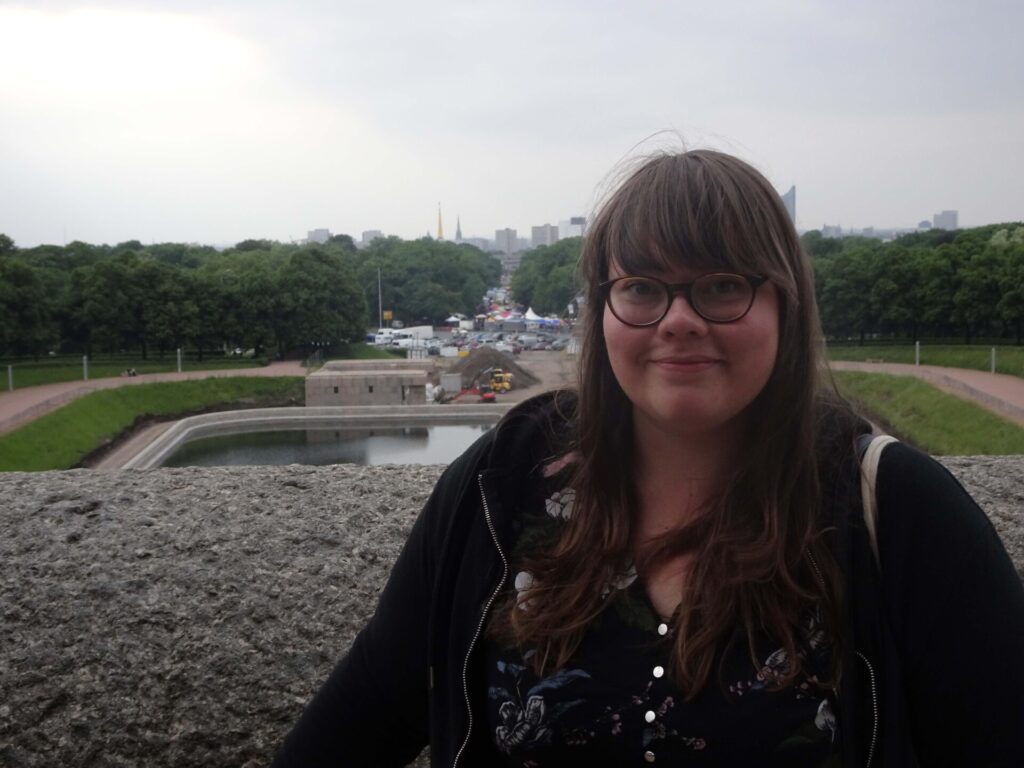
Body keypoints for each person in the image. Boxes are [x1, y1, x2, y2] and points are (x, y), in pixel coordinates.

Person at [272, 150, 1024, 767]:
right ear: (603, 309)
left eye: (722, 286)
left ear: (785, 306)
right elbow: (367, 710)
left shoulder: (897, 511)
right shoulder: (500, 492)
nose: (680, 321)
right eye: (641, 288)